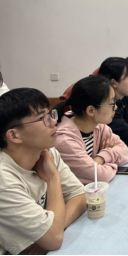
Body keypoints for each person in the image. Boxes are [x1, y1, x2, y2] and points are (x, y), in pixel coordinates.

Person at [0, 88, 86, 256]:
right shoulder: (4, 180)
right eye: (43, 118)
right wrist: (53, 178)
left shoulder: (46, 151)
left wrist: (50, 231)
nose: (53, 121)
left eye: (50, 114)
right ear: (14, 136)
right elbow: (54, 239)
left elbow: (80, 196)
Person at [54, 76, 128, 185]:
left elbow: (124, 150)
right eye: (111, 104)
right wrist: (108, 162)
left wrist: (101, 158)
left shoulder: (98, 125)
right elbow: (101, 176)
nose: (116, 107)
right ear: (91, 110)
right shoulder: (65, 141)